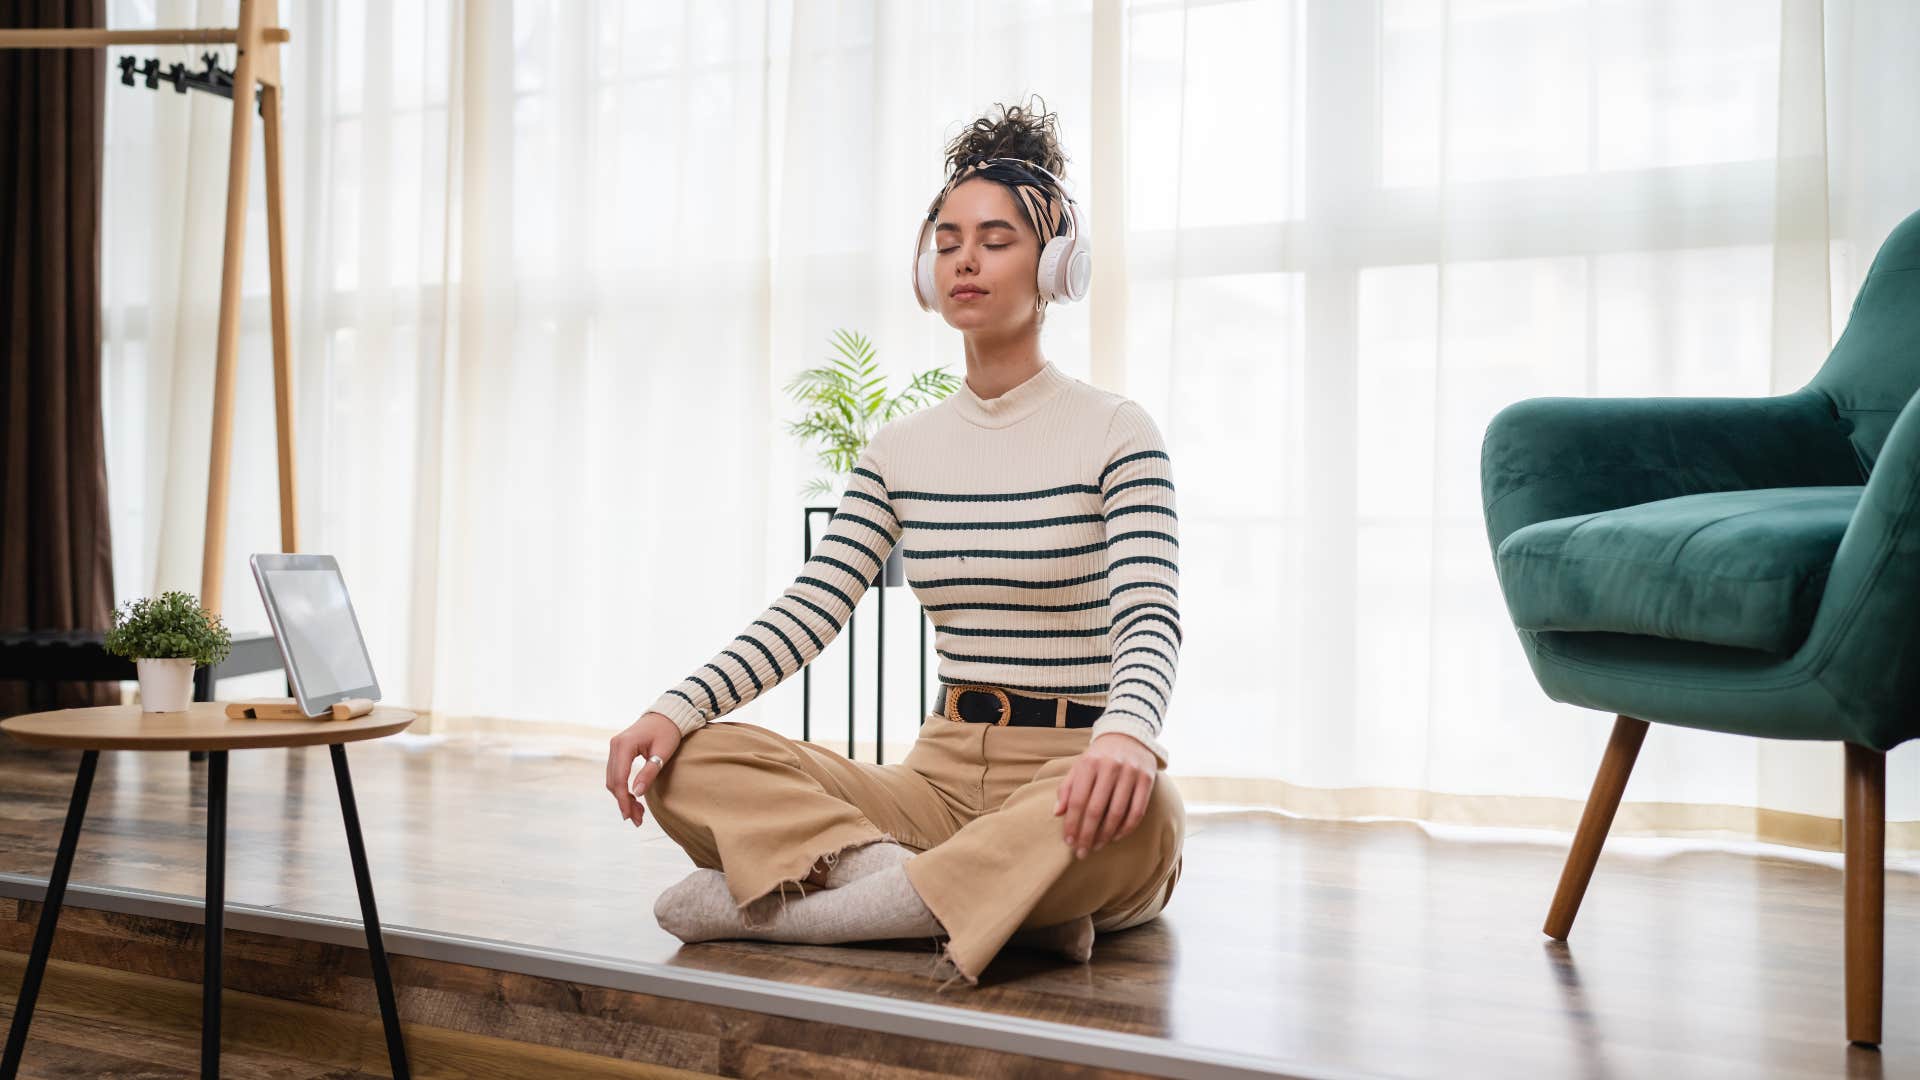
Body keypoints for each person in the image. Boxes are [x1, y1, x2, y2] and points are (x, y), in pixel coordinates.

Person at [603, 96, 1184, 988]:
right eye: (947, 240)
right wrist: (675, 708)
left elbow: (1150, 612)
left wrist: (1130, 736)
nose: (965, 259)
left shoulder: (1117, 430)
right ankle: (990, 910)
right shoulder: (899, 450)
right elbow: (811, 609)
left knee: (1149, 811)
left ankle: (787, 915)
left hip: (1070, 777)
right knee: (692, 764)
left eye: (996, 239)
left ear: (1057, 264)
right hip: (936, 783)